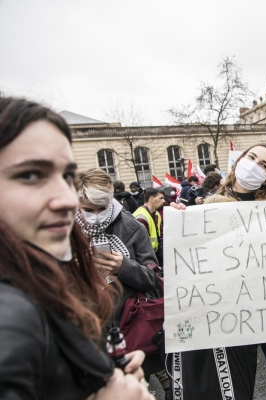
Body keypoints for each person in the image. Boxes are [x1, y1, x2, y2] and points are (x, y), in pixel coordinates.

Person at [0, 97, 153, 399]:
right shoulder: (12, 314)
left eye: (66, 176)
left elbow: (153, 279)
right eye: (30, 175)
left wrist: (101, 373)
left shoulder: (43, 268)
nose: (66, 200)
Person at [171, 144, 266, 400]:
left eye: (264, 165)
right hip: (232, 322)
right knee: (237, 392)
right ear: (239, 160)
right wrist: (180, 223)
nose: (254, 165)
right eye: (251, 157)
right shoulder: (208, 212)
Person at [74, 169, 170, 395]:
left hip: (128, 326)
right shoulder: (65, 230)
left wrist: (124, 267)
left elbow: (152, 279)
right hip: (85, 330)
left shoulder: (132, 226)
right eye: (88, 210)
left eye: (102, 208)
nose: (95, 215)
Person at [133, 188, 165, 265]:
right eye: (160, 198)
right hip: (145, 259)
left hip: (154, 255)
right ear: (151, 199)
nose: (163, 201)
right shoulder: (141, 217)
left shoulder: (156, 214)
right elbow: (140, 246)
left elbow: (161, 235)